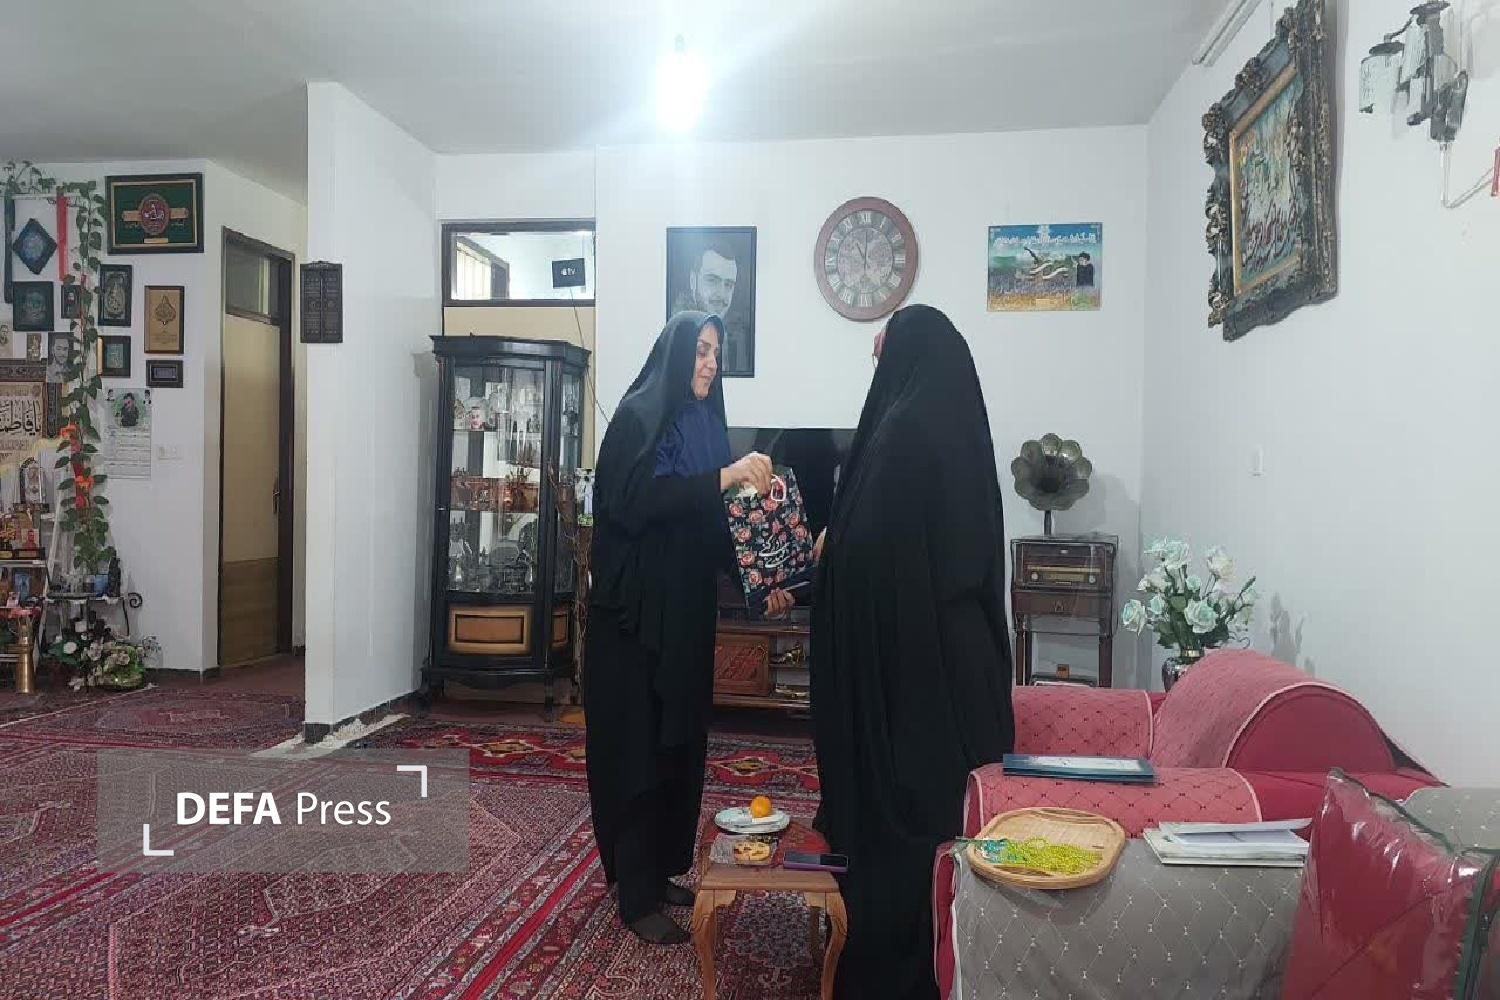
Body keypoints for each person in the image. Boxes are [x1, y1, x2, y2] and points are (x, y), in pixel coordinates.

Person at [810, 304, 1016, 1000]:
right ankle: (960, 949)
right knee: (952, 818)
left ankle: (901, 962)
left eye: (881, 354)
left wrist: (830, 550)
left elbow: (871, 552)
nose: (877, 368)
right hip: (963, 664)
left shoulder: (902, 432)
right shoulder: (957, 421)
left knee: (908, 820)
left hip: (914, 675)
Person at [584, 310, 791, 945]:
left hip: (684, 617)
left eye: (716, 354)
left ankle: (660, 871)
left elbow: (716, 523)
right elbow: (634, 503)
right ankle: (636, 895)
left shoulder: (705, 425)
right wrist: (727, 475)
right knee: (638, 751)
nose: (709, 363)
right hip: (635, 623)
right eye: (701, 350)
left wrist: (762, 585)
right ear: (676, 354)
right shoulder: (637, 416)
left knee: (678, 746)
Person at [673, 240, 747, 374]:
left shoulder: (737, 335)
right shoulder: (675, 335)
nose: (721, 294)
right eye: (712, 280)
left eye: (729, 285)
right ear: (693, 281)